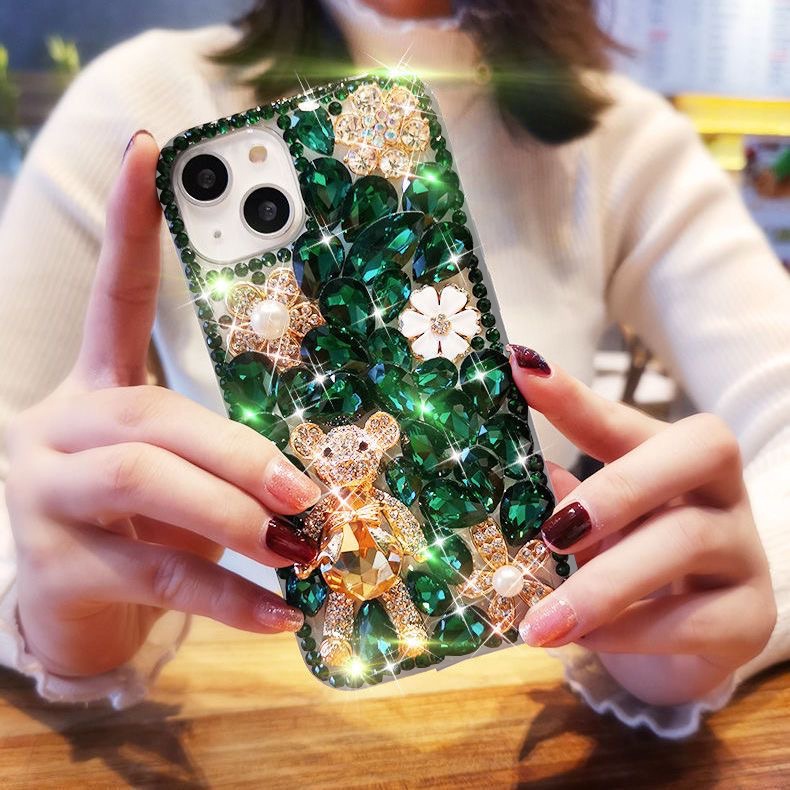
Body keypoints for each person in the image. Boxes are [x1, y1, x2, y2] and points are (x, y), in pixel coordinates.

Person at [1, 0, 788, 737]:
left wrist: (691, 628)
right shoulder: (135, 102)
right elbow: (17, 457)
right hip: (236, 729)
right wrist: (51, 610)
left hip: (516, 707)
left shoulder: (620, 138)